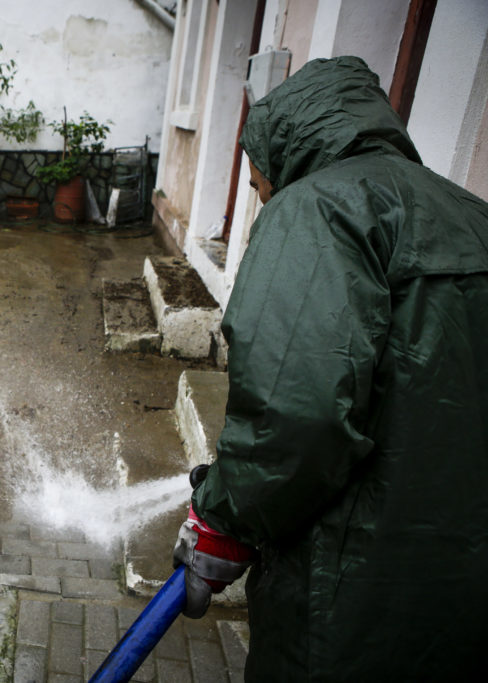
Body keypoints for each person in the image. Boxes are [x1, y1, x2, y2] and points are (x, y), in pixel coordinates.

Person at [172, 56, 488, 680]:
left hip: (349, 593)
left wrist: (223, 515)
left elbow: (296, 413)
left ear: (286, 153)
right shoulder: (474, 217)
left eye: (261, 187)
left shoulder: (319, 208)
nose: (264, 201)